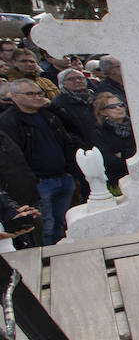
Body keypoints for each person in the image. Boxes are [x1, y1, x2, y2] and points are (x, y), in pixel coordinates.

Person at [0, 78, 79, 244]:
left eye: (39, 93)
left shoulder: (49, 115)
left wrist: (70, 170)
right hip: (38, 183)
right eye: (30, 94)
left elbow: (70, 134)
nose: (37, 97)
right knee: (45, 228)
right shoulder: (7, 122)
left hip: (63, 177)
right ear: (14, 96)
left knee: (62, 224)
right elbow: (13, 159)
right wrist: (31, 182)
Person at [91, 92, 135, 190]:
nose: (118, 108)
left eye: (121, 105)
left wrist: (123, 154)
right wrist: (134, 159)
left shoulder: (136, 126)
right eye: (112, 107)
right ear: (102, 112)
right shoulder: (99, 132)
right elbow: (109, 161)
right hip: (117, 182)